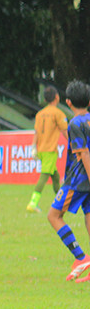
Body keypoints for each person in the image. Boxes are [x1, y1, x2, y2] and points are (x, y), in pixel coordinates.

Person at [47, 80, 90, 282]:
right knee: (89, 217)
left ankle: (80, 257)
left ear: (68, 102)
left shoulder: (75, 123)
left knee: (54, 216)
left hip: (78, 180)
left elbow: (84, 154)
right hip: (85, 179)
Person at [27, 86, 68, 212]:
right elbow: (65, 131)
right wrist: (74, 143)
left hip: (41, 150)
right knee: (44, 175)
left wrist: (33, 147)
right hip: (50, 150)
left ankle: (61, 202)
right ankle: (32, 203)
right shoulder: (58, 113)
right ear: (57, 97)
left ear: (45, 99)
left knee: (55, 176)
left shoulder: (40, 114)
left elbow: (36, 132)